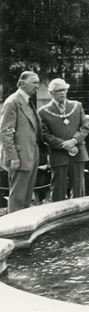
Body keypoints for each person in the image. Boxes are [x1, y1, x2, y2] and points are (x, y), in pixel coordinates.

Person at [38, 78, 89, 202]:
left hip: (77, 152)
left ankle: (79, 215)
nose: (62, 93)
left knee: (78, 188)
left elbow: (85, 127)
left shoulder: (77, 106)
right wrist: (62, 144)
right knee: (58, 188)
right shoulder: (43, 111)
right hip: (58, 154)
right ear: (51, 93)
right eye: (58, 91)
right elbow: (44, 134)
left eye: (64, 90)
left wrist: (73, 141)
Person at [0, 71, 42, 213]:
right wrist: (13, 157)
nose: (38, 86)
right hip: (19, 156)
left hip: (31, 154)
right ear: (22, 84)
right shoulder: (12, 102)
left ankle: (24, 227)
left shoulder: (27, 101)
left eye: (38, 82)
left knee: (26, 196)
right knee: (17, 197)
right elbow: (6, 132)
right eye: (34, 82)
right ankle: (14, 230)